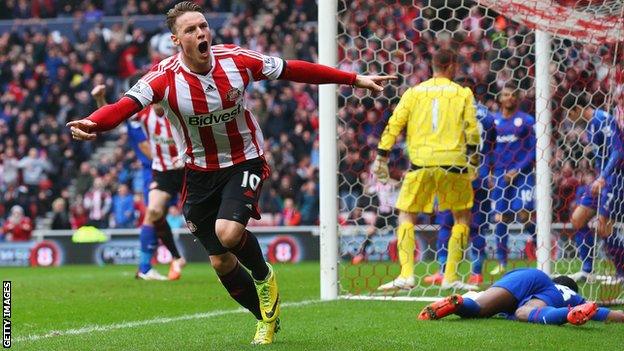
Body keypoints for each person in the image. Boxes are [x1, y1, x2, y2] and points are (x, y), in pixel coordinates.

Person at [68, 1, 395, 344]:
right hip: (198, 172)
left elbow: (294, 69)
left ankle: (263, 275)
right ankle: (265, 319)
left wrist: (354, 78)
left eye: (203, 26)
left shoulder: (237, 61)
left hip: (244, 159)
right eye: (190, 30)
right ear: (176, 40)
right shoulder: (162, 79)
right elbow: (123, 107)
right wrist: (93, 123)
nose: (201, 33)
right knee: (221, 262)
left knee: (227, 232)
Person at [373, 49, 480, 291]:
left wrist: (382, 156)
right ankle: (451, 276)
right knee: (461, 217)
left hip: (421, 163)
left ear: (432, 66)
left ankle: (407, 274)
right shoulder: (462, 92)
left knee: (406, 215)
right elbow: (472, 129)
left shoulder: (414, 92)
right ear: (452, 65)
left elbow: (395, 123)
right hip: (454, 163)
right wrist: (473, 159)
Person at [92, 83, 187, 281]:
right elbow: (113, 116)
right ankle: (148, 266)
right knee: (152, 213)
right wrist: (100, 99)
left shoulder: (182, 108)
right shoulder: (142, 116)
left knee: (203, 215)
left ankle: (224, 261)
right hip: (159, 171)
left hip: (187, 168)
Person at [424, 99, 496, 286]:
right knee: (476, 226)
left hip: (455, 173)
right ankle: (477, 273)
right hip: (479, 174)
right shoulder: (487, 115)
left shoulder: (451, 108)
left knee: (447, 223)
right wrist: (488, 171)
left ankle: (443, 270)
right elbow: (492, 147)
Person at [418, 268, 624, 325]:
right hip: (553, 298)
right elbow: (611, 314)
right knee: (524, 311)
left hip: (528, 274)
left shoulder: (546, 279)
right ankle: (568, 314)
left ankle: (460, 303)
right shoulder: (573, 296)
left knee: (479, 307)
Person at [563, 92, 616, 281]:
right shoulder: (591, 125)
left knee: (603, 227)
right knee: (577, 219)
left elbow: (618, 151)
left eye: (569, 113)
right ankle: (587, 270)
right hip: (600, 180)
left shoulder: (603, 119)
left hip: (613, 180)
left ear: (576, 109)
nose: (569, 118)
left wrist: (603, 176)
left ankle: (621, 271)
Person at [490, 83, 536, 275]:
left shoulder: (526, 120)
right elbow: (489, 149)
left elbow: (535, 148)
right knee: (501, 218)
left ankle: (540, 250)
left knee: (524, 214)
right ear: (500, 98)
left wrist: (518, 169)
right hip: (500, 175)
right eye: (506, 94)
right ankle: (502, 261)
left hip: (522, 175)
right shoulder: (493, 122)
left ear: (517, 99)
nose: (509, 97)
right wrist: (491, 171)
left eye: (513, 95)